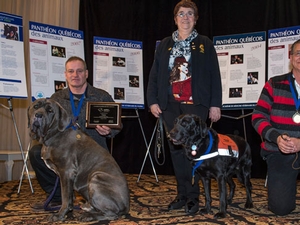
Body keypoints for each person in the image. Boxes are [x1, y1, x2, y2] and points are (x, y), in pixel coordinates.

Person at [147, 0, 222, 214]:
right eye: (181, 14)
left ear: (196, 19)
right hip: (170, 105)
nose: (185, 17)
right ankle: (181, 194)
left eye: (190, 14)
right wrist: (152, 100)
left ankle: (194, 198)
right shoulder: (164, 44)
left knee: (194, 152)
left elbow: (214, 76)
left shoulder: (204, 43)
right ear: (175, 18)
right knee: (176, 152)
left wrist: (215, 104)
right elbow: (154, 75)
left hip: (195, 106)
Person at [29, 56, 122, 209]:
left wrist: (109, 130)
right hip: (63, 148)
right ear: (65, 75)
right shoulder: (56, 98)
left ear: (86, 73)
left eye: (79, 71)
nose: (75, 75)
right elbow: (47, 127)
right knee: (36, 152)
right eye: (71, 71)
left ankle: (92, 197)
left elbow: (118, 126)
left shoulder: (101, 96)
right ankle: (59, 197)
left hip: (91, 152)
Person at [252, 39, 300, 216]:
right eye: (298, 53)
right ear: (291, 57)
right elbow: (258, 116)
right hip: (281, 151)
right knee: (281, 208)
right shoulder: (274, 83)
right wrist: (277, 138)